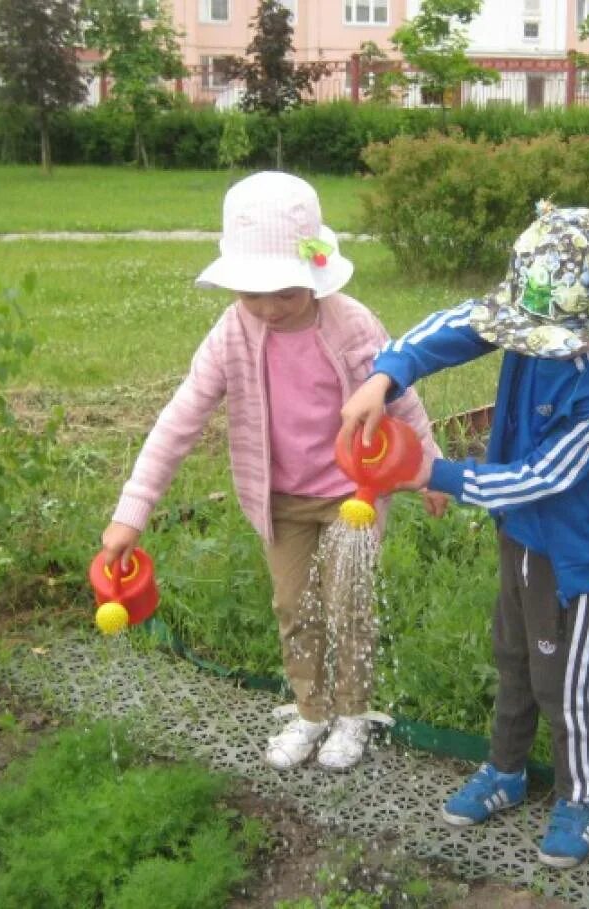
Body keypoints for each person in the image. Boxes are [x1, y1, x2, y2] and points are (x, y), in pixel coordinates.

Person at [97, 171, 444, 773]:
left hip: (350, 496)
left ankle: (352, 714)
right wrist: (131, 514)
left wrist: (432, 467)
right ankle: (311, 711)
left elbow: (400, 397)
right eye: (250, 293)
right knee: (294, 606)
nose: (267, 307)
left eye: (284, 292)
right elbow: (179, 419)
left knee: (348, 603)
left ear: (314, 275)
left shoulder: (352, 324)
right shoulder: (232, 333)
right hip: (280, 501)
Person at [339, 202, 589, 869]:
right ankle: (506, 769)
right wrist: (387, 373)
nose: (524, 342)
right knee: (511, 655)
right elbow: (458, 326)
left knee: (561, 679)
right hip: (520, 533)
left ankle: (580, 795)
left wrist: (436, 471)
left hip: (574, 548)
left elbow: (544, 476)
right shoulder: (537, 313)